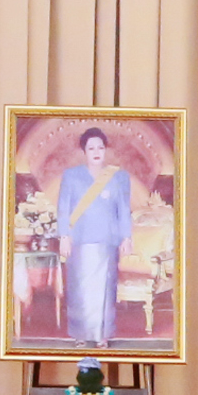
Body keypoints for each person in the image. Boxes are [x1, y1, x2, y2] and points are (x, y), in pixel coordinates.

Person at [55, 126, 133, 347]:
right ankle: (80, 334)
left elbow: (123, 209)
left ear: (105, 149)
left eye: (100, 147)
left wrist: (126, 237)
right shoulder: (71, 176)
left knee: (105, 291)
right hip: (79, 240)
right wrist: (64, 236)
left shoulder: (119, 177)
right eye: (91, 148)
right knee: (79, 290)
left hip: (107, 241)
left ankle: (103, 335)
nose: (96, 152)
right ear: (84, 151)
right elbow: (63, 208)